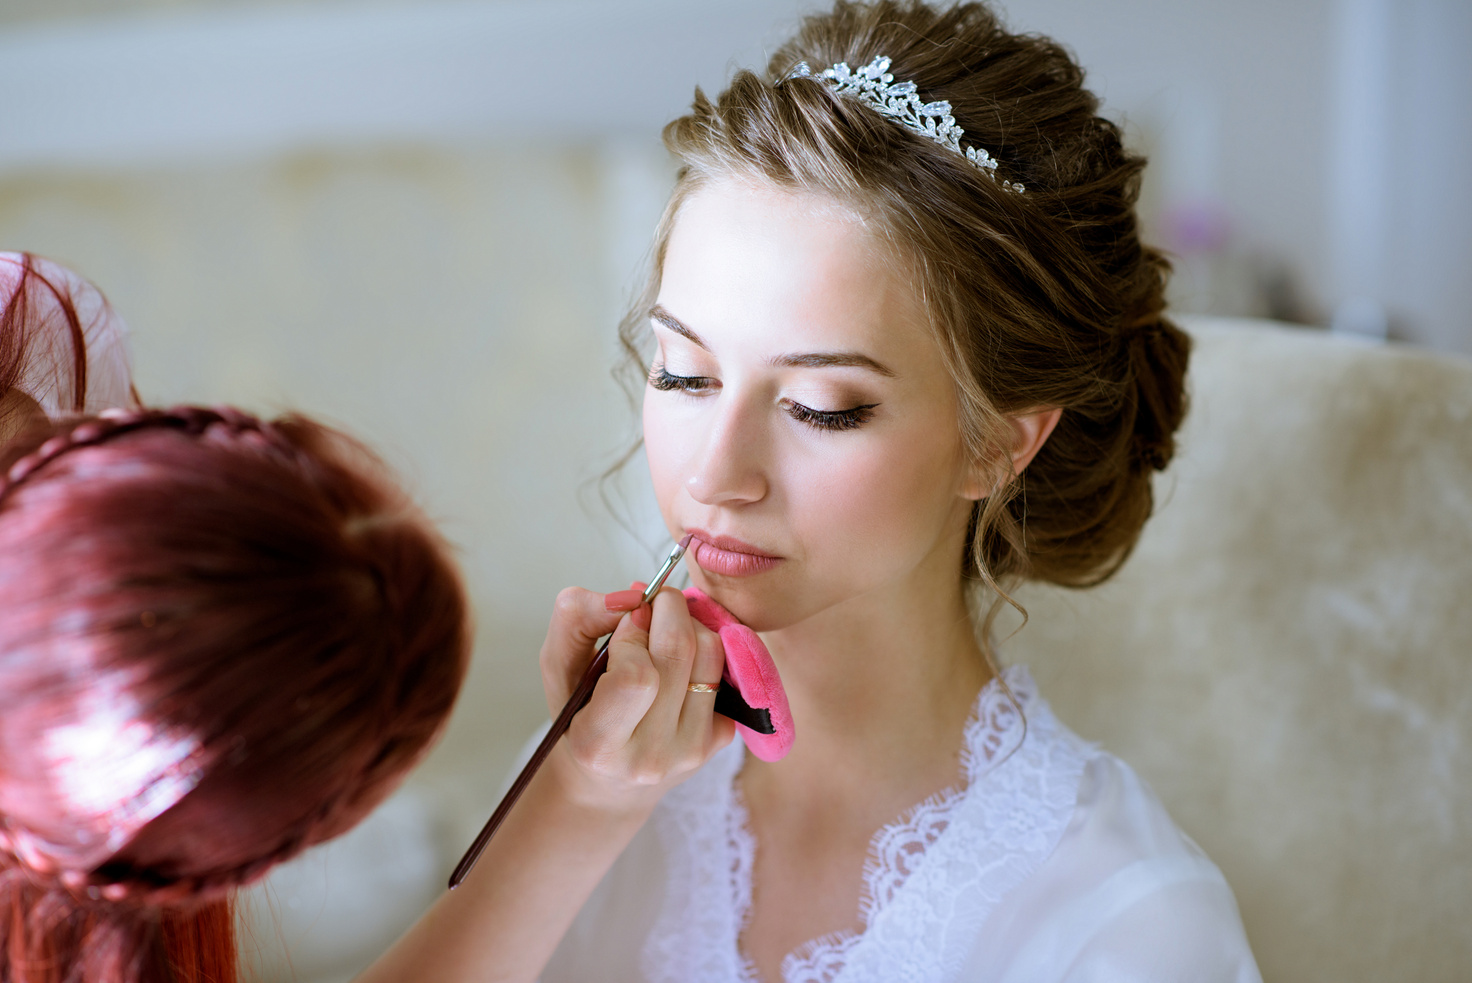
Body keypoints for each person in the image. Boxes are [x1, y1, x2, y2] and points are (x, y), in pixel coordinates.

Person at [362, 1, 1262, 981]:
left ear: (998, 443)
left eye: (821, 406)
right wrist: (575, 801)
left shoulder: (1126, 924)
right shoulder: (592, 767)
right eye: (683, 374)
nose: (713, 474)